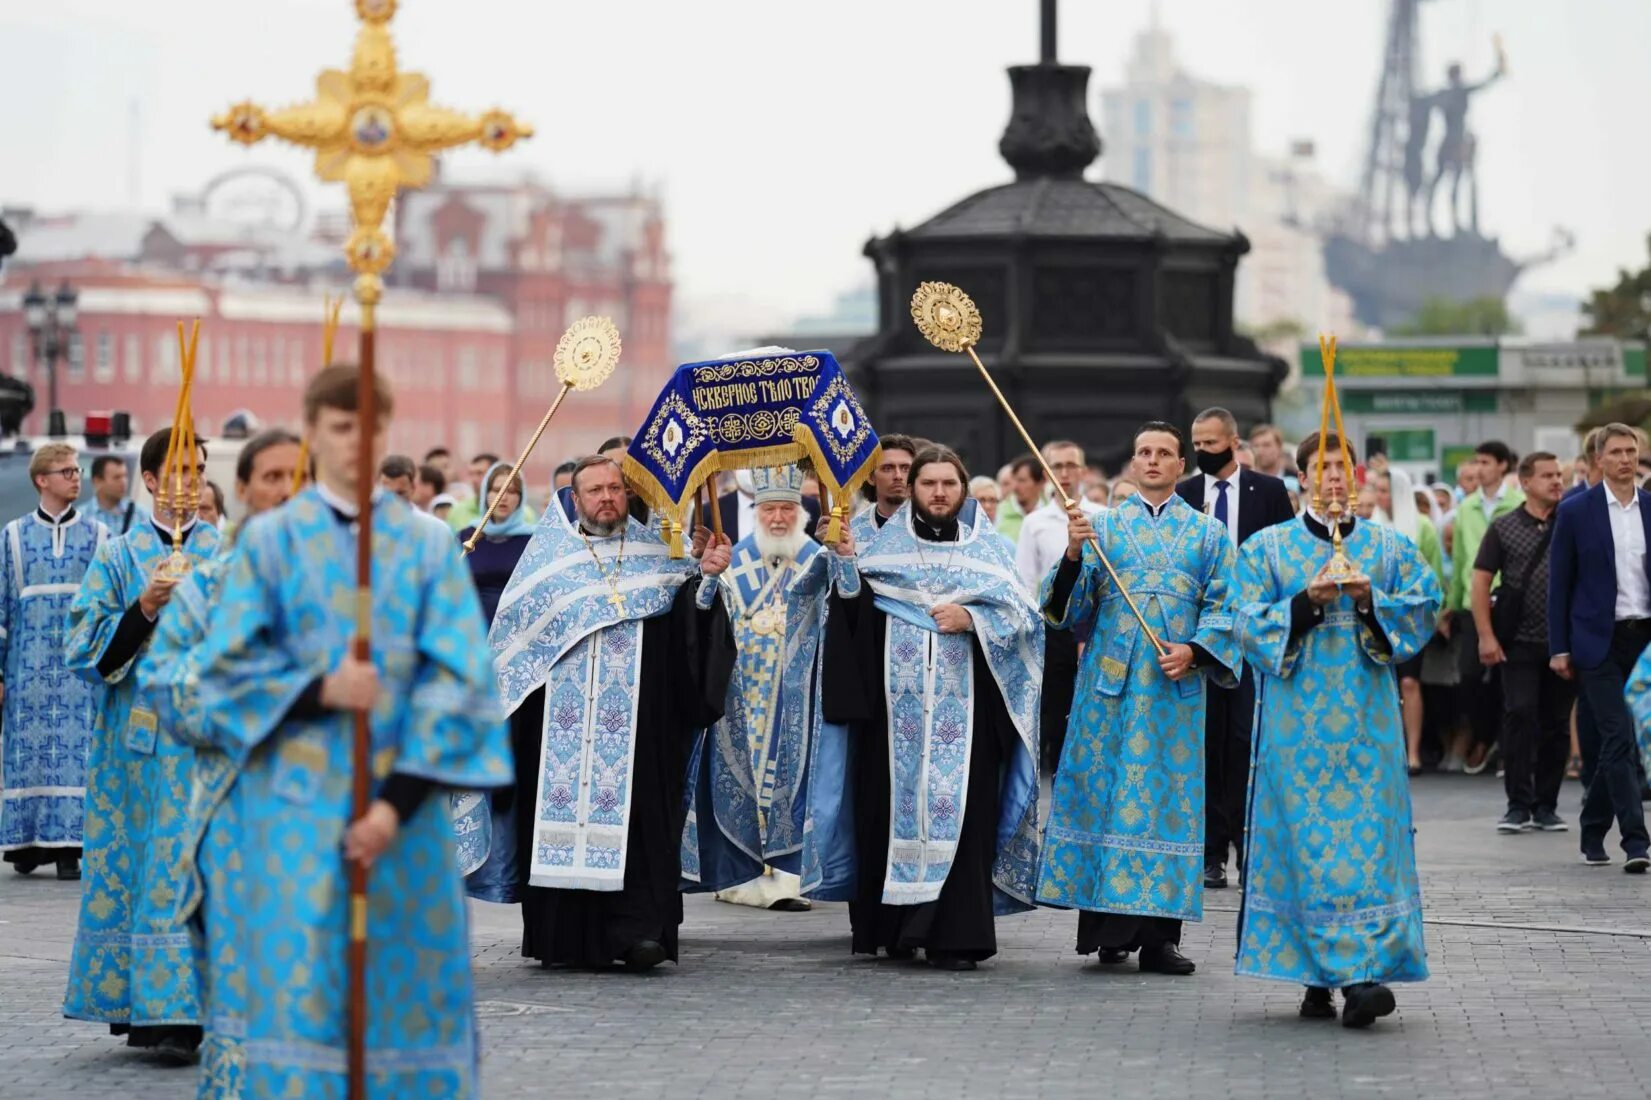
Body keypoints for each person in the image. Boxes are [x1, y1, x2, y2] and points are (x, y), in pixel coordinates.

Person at [180, 367, 510, 1094]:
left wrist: (394, 806)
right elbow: (221, 676)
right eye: (339, 427)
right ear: (312, 431)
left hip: (406, 824)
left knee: (405, 1016)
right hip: (296, 820)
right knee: (305, 1008)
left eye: (370, 427)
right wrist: (317, 688)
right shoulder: (269, 545)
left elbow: (460, 687)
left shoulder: (426, 548)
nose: (357, 442)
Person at [490, 455, 734, 971]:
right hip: (555, 730)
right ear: (574, 499)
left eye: (615, 489)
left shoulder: (659, 558)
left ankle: (639, 933)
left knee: (643, 827)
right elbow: (513, 652)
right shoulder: (546, 565)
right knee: (554, 822)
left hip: (640, 729)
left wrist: (706, 582)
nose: (607, 498)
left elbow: (688, 641)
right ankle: (562, 940)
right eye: (595, 490)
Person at [1233, 432, 1441, 1027]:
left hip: (1368, 729)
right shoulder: (1267, 549)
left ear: (1357, 477)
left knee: (1368, 849)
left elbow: (1425, 604)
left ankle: (1363, 973)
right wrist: (1306, 602)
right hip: (1294, 730)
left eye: (1341, 468)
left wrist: (1372, 600)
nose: (1331, 479)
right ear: (1301, 479)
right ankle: (1317, 977)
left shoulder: (1387, 547)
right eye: (1320, 468)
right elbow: (1244, 622)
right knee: (1304, 849)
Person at [812, 445, 1042, 971]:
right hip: (892, 724)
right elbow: (851, 622)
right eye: (928, 484)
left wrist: (974, 618)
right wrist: (845, 565)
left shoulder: (990, 554)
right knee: (887, 815)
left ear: (963, 492)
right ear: (911, 491)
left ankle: (955, 936)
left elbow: (1027, 624)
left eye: (949, 484)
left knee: (966, 822)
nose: (939, 493)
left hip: (970, 725)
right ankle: (894, 929)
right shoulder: (877, 552)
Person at [1037, 422, 1239, 974]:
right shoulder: (1100, 528)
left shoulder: (1207, 536)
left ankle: (1160, 941)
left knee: (1163, 809)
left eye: (1164, 454)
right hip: (1110, 691)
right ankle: (1107, 932)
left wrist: (1195, 651)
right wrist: (1074, 554)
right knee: (1107, 801)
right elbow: (1064, 611)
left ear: (1181, 466)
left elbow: (1227, 608)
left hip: (1173, 691)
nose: (1152, 460)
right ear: (1132, 463)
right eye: (1143, 452)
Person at [134, 427, 300, 1094]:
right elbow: (169, 688)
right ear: (242, 491)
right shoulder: (206, 587)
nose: (287, 491)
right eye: (271, 478)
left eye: (301, 477)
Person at [63, 426, 221, 1059]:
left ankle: (204, 1012)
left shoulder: (227, 552)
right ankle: (152, 1013)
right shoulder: (118, 556)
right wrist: (145, 607)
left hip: (207, 747)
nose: (190, 482)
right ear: (150, 480)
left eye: (200, 470)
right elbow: (82, 649)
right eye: (178, 470)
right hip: (136, 751)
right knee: (145, 871)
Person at [683, 466, 821, 911]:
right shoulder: (733, 560)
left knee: (795, 780)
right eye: (769, 509)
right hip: (744, 693)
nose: (778, 517)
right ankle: (741, 875)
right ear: (755, 511)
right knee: (748, 781)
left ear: (800, 512)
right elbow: (708, 616)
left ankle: (790, 877)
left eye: (786, 508)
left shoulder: (818, 560)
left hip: (797, 694)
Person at [1176, 407, 1296, 889]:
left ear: (1233, 441)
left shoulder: (1268, 492)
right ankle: (1210, 852)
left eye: (1210, 443)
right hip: (1203, 641)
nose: (1203, 452)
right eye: (1196, 444)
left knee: (1246, 744)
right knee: (1207, 745)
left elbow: (1285, 558)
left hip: (1251, 641)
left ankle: (1249, 848)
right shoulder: (1186, 495)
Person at [0, 443, 106, 881]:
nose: (76, 477)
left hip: (78, 675)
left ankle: (69, 848)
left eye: (77, 470)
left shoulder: (100, 536)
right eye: (66, 471)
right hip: (28, 672)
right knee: (29, 756)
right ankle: (26, 843)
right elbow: (2, 609)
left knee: (77, 755)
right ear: (42, 480)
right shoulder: (12, 536)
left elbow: (106, 605)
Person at [1550, 424, 1651, 871]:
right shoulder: (1576, 512)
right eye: (1616, 452)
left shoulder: (1650, 508)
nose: (1626, 459)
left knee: (1621, 743)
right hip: (1597, 640)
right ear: (1599, 461)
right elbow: (1560, 586)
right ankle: (1637, 842)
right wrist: (1559, 647)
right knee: (1618, 736)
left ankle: (1593, 825)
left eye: (1632, 451)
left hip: (1643, 638)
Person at [1472, 452, 1571, 832]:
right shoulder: (1504, 527)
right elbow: (1481, 581)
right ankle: (1518, 804)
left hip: (1563, 641)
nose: (1556, 482)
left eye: (1558, 475)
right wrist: (1486, 635)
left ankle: (1546, 805)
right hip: (1517, 642)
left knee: (1556, 723)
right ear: (1525, 482)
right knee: (1520, 715)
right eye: (1547, 476)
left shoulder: (1572, 522)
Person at [455, 462, 536, 903]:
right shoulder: (467, 538)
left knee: (509, 764)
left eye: (512, 490)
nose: (502, 498)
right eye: (496, 491)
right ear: (484, 494)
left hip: (516, 657)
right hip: (473, 657)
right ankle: (472, 867)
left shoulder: (535, 540)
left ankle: (507, 873)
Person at [1016, 441, 1103, 776]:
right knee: (1056, 713)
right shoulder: (1035, 522)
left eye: (1071, 465)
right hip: (1053, 630)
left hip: (1094, 626)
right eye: (1057, 466)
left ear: (1082, 470)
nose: (1064, 474)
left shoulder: (1103, 516)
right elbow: (1026, 579)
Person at [1443, 441, 1523, 774]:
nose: (1479, 468)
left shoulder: (1519, 503)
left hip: (1509, 600)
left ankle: (1506, 748)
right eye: (1476, 461)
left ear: (1503, 465)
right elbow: (1461, 557)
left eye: (1486, 462)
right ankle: (1484, 735)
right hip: (1471, 604)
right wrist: (1451, 605)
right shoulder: (1466, 507)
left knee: (1508, 678)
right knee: (1470, 678)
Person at [1380, 467, 1445, 774]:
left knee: (1409, 682)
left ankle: (1414, 751)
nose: (1380, 497)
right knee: (1382, 683)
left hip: (1409, 615)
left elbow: (1433, 573)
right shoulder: (1369, 524)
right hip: (1375, 614)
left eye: (1384, 490)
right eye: (1376, 490)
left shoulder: (1422, 527)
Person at [851, 433, 918, 544]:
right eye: (887, 468)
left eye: (905, 468)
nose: (898, 476)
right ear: (871, 477)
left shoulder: (936, 529)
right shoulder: (852, 534)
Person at [89, 455, 146, 536]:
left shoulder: (142, 515)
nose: (123, 482)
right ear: (97, 481)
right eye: (117, 477)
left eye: (125, 476)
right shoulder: (81, 518)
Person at [445, 451, 502, 532]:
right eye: (471, 474)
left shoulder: (522, 514)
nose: (474, 480)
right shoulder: (457, 511)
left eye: (480, 473)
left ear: (497, 474)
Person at [1000, 453, 1045, 544]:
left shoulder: (1052, 515)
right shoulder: (999, 513)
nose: (1015, 487)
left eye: (1022, 481)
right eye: (1014, 480)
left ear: (1040, 483)